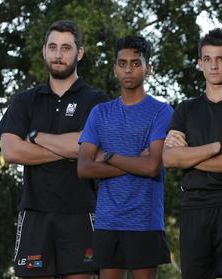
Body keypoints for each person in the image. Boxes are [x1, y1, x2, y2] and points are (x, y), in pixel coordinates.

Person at [0, 20, 108, 279]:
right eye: (53, 47)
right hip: (35, 212)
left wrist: (36, 138)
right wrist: (72, 148)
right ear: (43, 51)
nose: (59, 54)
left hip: (82, 211)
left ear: (79, 53)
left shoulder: (97, 101)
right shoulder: (24, 101)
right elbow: (12, 152)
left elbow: (95, 151)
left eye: (67, 48)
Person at [76, 35, 172, 279]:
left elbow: (152, 167)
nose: (128, 69)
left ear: (148, 69)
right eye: (122, 63)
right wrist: (134, 163)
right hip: (108, 220)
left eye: (136, 63)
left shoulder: (161, 111)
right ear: (114, 68)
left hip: (144, 221)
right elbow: (84, 168)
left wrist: (107, 155)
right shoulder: (100, 113)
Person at [162, 28, 222, 279]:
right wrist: (217, 147)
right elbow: (169, 159)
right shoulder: (185, 109)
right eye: (207, 59)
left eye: (220, 59)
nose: (213, 65)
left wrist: (188, 157)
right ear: (199, 64)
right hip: (194, 206)